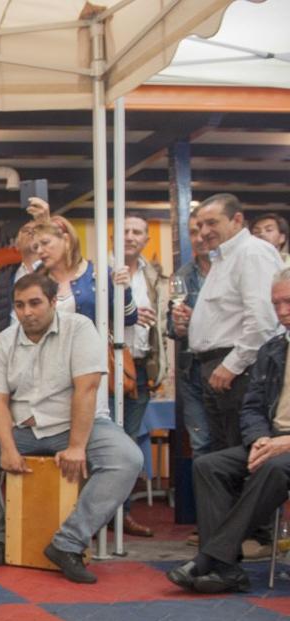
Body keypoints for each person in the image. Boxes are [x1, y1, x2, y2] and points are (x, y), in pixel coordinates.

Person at [0, 271, 142, 583]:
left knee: (126, 459)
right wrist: (8, 449)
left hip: (73, 426)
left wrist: (78, 446)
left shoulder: (80, 329)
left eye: (35, 303)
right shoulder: (2, 342)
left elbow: (87, 390)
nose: (27, 312)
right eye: (20, 305)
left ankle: (68, 543)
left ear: (54, 302)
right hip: (21, 428)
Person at [167, 270, 290, 594]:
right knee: (208, 465)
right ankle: (227, 568)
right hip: (271, 440)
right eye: (275, 303)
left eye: (287, 302)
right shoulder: (272, 349)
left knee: (275, 467)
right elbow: (252, 407)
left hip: (286, 449)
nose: (281, 312)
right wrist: (259, 439)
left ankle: (210, 558)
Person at [182, 193, 282, 451]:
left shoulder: (252, 253)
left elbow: (263, 320)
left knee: (239, 455)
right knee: (221, 453)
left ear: (237, 219)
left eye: (212, 223)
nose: (204, 232)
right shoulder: (223, 257)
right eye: (200, 225)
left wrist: (232, 365)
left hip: (238, 370)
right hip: (215, 368)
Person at [113, 213, 168, 538]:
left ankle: (123, 514)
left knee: (129, 445)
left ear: (146, 239)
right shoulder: (101, 272)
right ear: (114, 239)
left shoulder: (156, 277)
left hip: (141, 366)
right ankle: (95, 514)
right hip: (107, 365)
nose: (131, 237)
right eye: (125, 232)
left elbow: (161, 325)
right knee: (98, 443)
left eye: (137, 232)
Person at [168, 208, 213, 456]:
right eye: (193, 232)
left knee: (231, 443)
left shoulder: (229, 271)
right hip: (192, 370)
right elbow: (170, 325)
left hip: (228, 368)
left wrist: (198, 320)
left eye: (204, 230)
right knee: (200, 444)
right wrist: (177, 326)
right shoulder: (182, 274)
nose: (199, 237)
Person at [0, 220, 39, 354]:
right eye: (26, 230)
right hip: (10, 350)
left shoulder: (52, 274)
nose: (31, 233)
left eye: (37, 230)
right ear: (17, 242)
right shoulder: (5, 278)